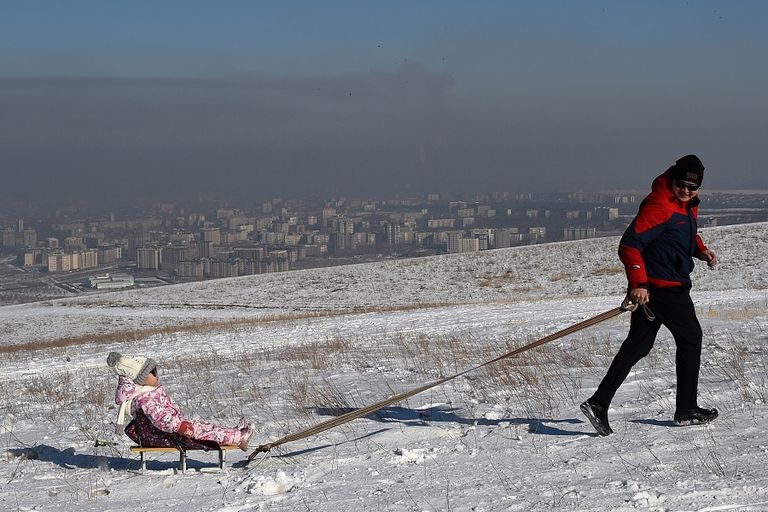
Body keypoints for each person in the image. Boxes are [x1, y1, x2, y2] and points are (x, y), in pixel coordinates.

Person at [581, 154, 719, 436]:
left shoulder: (686, 205)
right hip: (663, 287)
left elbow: (681, 235)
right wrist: (638, 284)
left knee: (638, 345)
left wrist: (701, 251)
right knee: (691, 338)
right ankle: (686, 409)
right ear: (673, 180)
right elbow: (630, 245)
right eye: (681, 185)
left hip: (663, 284)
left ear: (699, 189)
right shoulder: (660, 205)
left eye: (692, 188)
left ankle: (598, 403)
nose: (686, 191)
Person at [107, 351, 254, 451]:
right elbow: (163, 420)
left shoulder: (146, 394)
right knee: (201, 431)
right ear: (140, 380)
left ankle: (234, 433)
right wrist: (181, 427)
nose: (156, 375)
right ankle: (238, 438)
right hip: (165, 435)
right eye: (152, 373)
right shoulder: (146, 400)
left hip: (166, 433)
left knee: (202, 426)